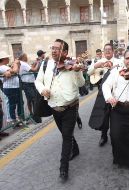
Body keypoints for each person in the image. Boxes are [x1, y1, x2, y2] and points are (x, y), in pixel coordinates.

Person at [35, 39, 85, 181]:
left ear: (65, 52)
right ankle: (75, 149)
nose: (54, 50)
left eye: (58, 48)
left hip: (70, 106)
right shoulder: (46, 64)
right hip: (54, 106)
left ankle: (63, 168)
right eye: (53, 47)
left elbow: (81, 83)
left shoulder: (72, 64)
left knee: (66, 136)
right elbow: (38, 81)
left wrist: (77, 71)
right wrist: (43, 89)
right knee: (65, 133)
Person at [88, 44, 122, 147]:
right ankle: (104, 135)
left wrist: (115, 68)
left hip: (115, 93)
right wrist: (95, 66)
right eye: (105, 50)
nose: (107, 51)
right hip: (102, 93)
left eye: (109, 50)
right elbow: (89, 72)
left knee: (116, 114)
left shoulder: (118, 62)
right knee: (104, 114)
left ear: (113, 51)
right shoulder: (99, 61)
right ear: (103, 51)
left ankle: (116, 135)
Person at [0, 51, 22, 127]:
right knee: (12, 104)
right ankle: (14, 120)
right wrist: (15, 63)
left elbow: (15, 72)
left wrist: (16, 66)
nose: (9, 59)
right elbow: (15, 71)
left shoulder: (5, 67)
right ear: (4, 59)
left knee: (19, 102)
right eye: (7, 58)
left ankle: (18, 118)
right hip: (10, 88)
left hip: (13, 87)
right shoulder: (2, 67)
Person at [18, 53, 41, 123]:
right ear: (23, 57)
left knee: (30, 100)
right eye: (26, 56)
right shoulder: (23, 64)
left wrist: (35, 63)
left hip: (29, 83)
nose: (27, 57)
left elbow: (31, 68)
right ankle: (36, 117)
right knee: (34, 99)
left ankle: (33, 115)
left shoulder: (24, 63)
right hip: (28, 84)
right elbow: (34, 70)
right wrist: (38, 63)